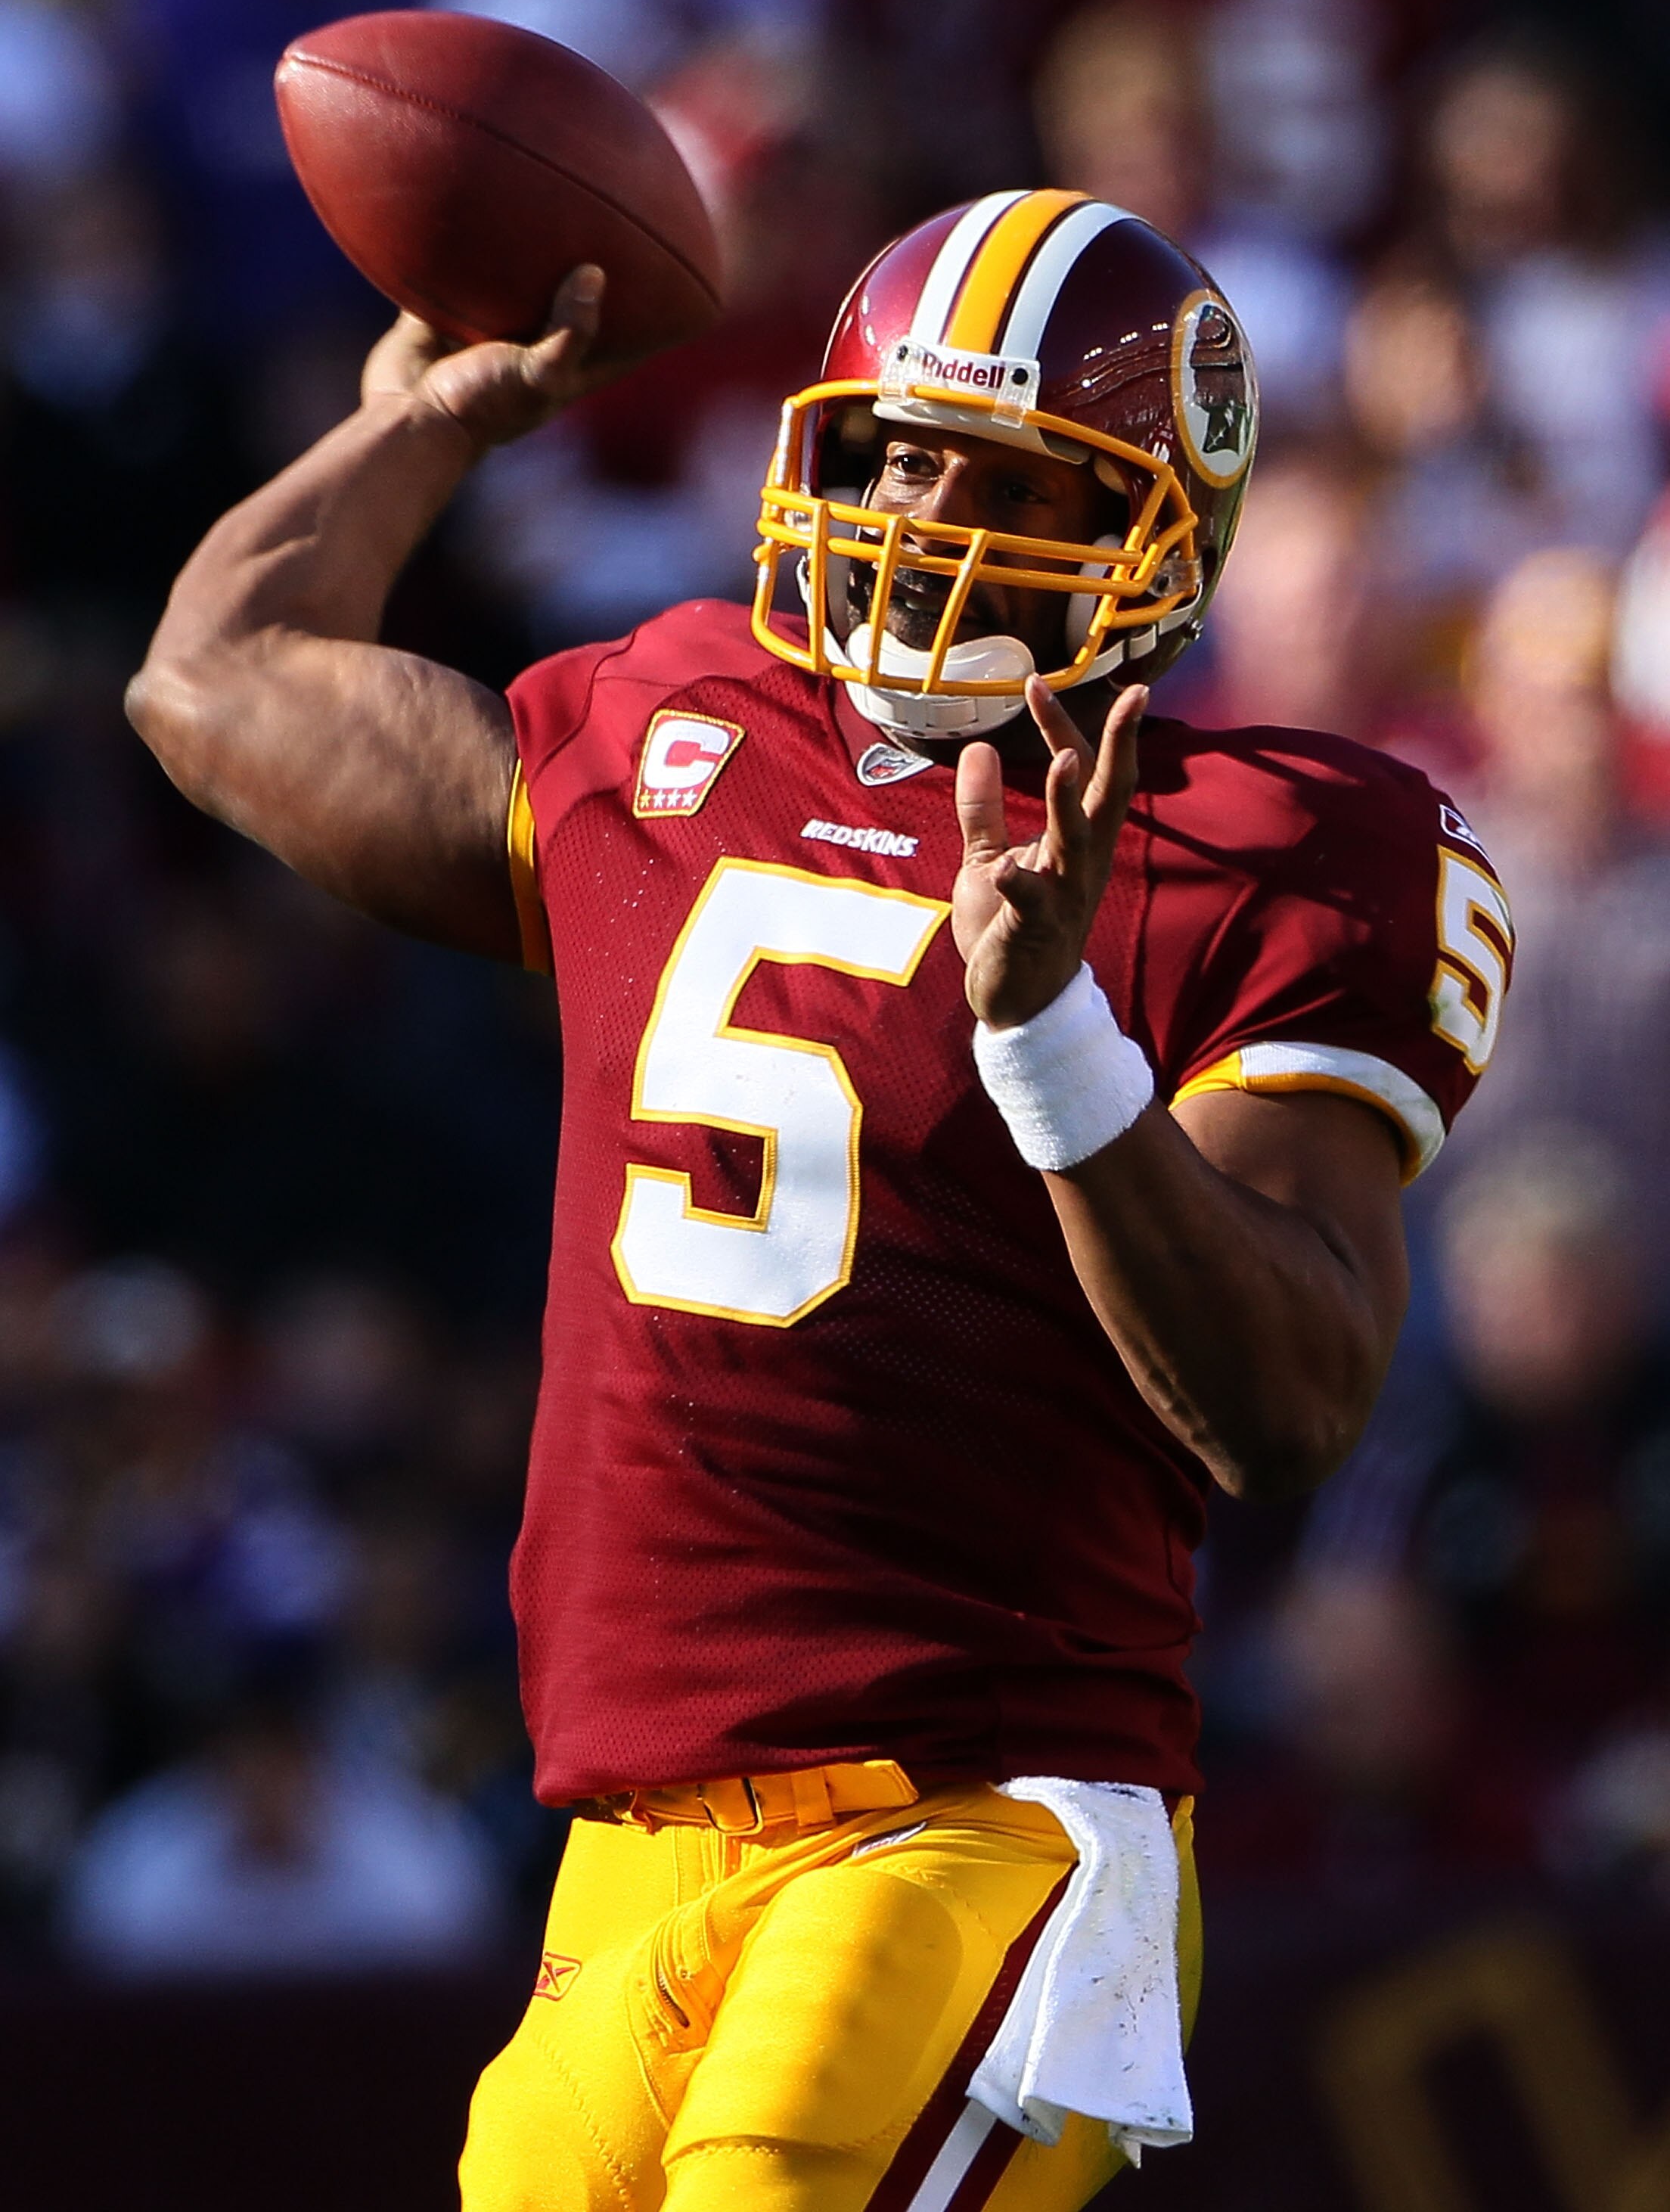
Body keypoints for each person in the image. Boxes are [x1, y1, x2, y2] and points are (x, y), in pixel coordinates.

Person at [126, 191, 1508, 2210]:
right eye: (892, 449)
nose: (927, 514)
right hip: (630, 1852)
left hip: (983, 1814)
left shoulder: (1272, 858)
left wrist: (1053, 1045)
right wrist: (430, 422)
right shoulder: (678, 725)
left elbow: (1285, 1405)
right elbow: (214, 680)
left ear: (1160, 532)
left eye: (1011, 473)